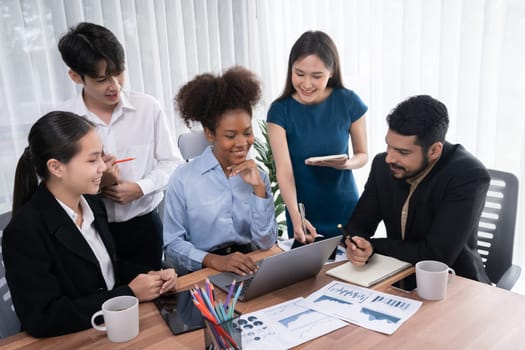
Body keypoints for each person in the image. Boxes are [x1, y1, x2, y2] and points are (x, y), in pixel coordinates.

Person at [2, 111, 177, 337]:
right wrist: (130, 293)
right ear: (56, 167)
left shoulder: (92, 203)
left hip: (106, 329)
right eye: (92, 160)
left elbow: (106, 269)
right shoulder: (24, 231)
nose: (103, 168)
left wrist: (154, 275)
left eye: (101, 157)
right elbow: (43, 317)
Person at [57, 22, 180, 269]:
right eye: (101, 79)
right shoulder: (63, 120)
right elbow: (55, 185)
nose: (115, 85)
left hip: (143, 227)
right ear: (75, 76)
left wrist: (140, 187)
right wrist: (98, 186)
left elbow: (172, 163)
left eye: (119, 72)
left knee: (154, 301)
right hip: (89, 234)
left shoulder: (147, 108)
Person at [344, 95, 491, 283]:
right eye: (389, 146)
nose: (389, 158)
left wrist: (373, 246)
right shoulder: (383, 165)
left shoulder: (468, 175)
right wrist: (356, 243)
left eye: (403, 152)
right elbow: (357, 226)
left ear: (434, 151)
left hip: (454, 282)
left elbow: (435, 256)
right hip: (396, 276)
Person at [163, 66, 278, 276]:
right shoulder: (183, 178)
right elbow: (172, 244)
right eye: (231, 135)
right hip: (203, 270)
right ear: (209, 134)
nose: (242, 143)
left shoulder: (258, 176)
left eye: (247, 132)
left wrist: (259, 190)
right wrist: (214, 261)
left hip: (249, 266)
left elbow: (266, 243)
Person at [267, 30, 368, 244]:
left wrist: (346, 164)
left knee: (353, 273)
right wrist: (296, 218)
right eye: (299, 73)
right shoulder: (279, 111)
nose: (306, 84)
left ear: (331, 72)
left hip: (346, 209)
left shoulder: (349, 102)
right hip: (303, 214)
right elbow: (284, 171)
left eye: (317, 76)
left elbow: (363, 154)